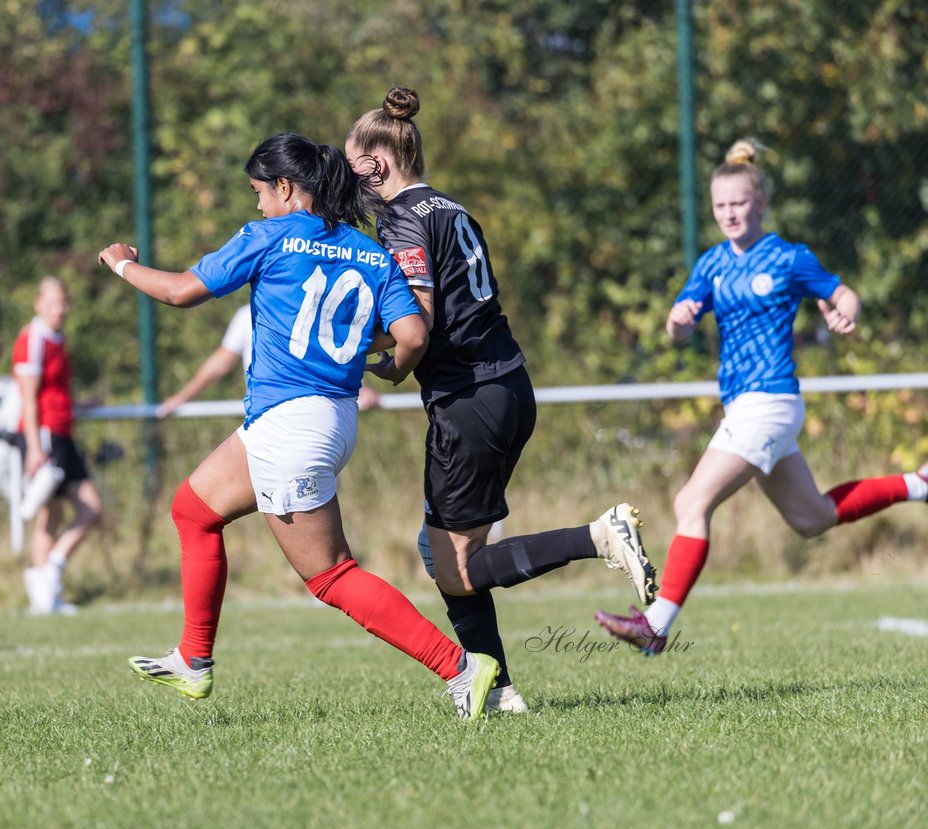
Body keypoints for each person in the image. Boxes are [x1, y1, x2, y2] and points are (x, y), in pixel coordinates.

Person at [98, 131, 500, 720]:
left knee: (332, 576)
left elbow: (183, 291)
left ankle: (462, 667)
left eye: (260, 192)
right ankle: (193, 659)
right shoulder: (369, 251)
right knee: (193, 509)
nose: (257, 204)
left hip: (292, 424)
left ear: (287, 188)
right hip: (326, 417)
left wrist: (124, 266)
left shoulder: (269, 236)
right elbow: (413, 334)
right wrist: (390, 367)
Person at [345, 87, 657, 712]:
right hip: (507, 386)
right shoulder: (453, 208)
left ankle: (598, 536)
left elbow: (421, 322)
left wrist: (384, 363)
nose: (350, 180)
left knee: (454, 568)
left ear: (377, 164)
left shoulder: (402, 218)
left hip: (468, 399)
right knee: (449, 554)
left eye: (353, 166)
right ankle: (501, 692)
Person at [594, 139, 928, 654]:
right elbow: (678, 322)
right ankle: (917, 483)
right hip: (749, 408)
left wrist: (846, 311)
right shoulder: (711, 264)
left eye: (739, 204)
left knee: (691, 501)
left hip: (769, 402)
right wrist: (678, 323)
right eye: (720, 206)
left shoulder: (789, 257)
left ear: (761, 204)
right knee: (811, 518)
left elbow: (843, 293)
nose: (729, 213)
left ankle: (655, 624)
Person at [10, 276, 103, 616]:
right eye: (53, 302)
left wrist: (79, 405)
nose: (60, 309)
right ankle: (45, 592)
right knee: (61, 512)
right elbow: (29, 399)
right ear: (38, 304)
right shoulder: (33, 338)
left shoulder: (57, 338)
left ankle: (48, 582)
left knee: (75, 511)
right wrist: (35, 448)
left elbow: (55, 392)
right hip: (46, 438)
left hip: (62, 433)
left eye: (64, 302)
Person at [157, 303, 382, 416]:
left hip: (304, 416)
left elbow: (327, 356)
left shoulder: (306, 311)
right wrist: (180, 398)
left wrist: (360, 389)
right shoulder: (248, 315)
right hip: (273, 416)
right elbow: (221, 363)